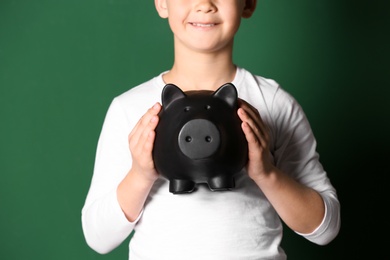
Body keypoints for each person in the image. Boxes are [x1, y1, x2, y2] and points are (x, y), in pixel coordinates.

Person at [81, 0, 341, 259]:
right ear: (162, 4)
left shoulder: (273, 103)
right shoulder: (129, 109)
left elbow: (324, 229)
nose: (205, 4)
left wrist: (266, 173)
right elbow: (98, 238)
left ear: (248, 4)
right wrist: (140, 174)